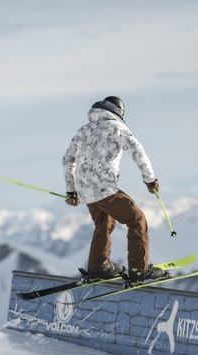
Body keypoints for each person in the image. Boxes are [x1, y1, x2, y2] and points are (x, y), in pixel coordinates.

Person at [62, 96, 167, 284]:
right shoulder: (117, 128)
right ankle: (138, 270)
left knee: (104, 223)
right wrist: (150, 180)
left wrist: (72, 191)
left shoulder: (83, 131)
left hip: (87, 191)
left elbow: (67, 160)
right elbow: (138, 153)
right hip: (105, 188)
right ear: (118, 111)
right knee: (137, 220)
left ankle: (98, 267)